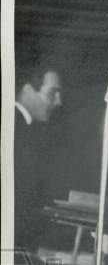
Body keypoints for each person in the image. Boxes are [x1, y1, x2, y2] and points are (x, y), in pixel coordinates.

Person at [14, 56, 64, 253]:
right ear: (27, 91)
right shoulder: (19, 133)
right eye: (52, 93)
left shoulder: (20, 128)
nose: (58, 102)